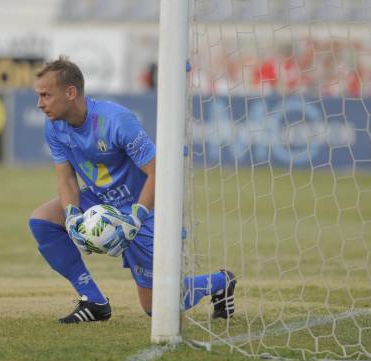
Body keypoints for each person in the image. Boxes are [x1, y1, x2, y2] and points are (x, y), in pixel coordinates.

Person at [28, 56, 236, 324]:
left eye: (45, 95)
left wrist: (135, 218)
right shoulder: (53, 126)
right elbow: (67, 180)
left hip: (144, 206)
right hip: (100, 199)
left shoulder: (116, 120)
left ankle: (220, 281)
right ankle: (93, 301)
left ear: (70, 92)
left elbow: (158, 172)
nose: (39, 103)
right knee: (42, 221)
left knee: (157, 307)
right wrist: (71, 216)